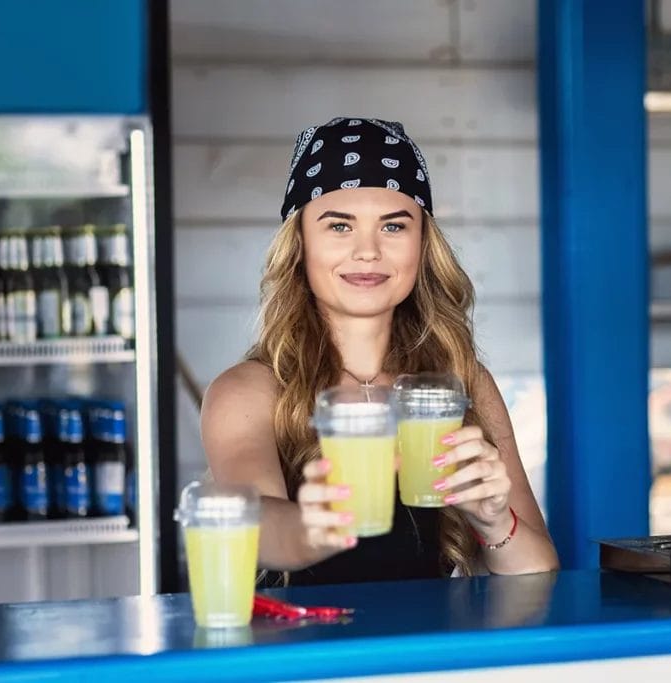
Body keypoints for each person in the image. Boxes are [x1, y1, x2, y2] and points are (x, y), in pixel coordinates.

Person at [201, 117, 558, 584]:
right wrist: (313, 528)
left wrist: (493, 521)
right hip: (305, 654)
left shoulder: (461, 384)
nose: (367, 251)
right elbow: (258, 525)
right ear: (300, 243)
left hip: (426, 653)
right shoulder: (249, 390)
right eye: (339, 226)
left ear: (422, 244)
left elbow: (538, 570)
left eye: (393, 226)